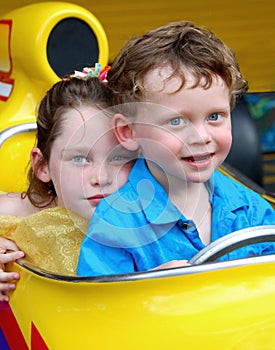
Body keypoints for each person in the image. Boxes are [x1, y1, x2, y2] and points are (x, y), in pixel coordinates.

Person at [77, 21, 275, 277]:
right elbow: (96, 307)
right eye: (176, 121)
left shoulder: (251, 209)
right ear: (129, 132)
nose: (201, 136)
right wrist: (147, 289)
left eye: (215, 117)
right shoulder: (117, 224)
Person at [0, 71, 137, 301]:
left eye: (118, 158)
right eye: (80, 159)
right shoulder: (17, 214)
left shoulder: (156, 215)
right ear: (43, 166)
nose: (101, 178)